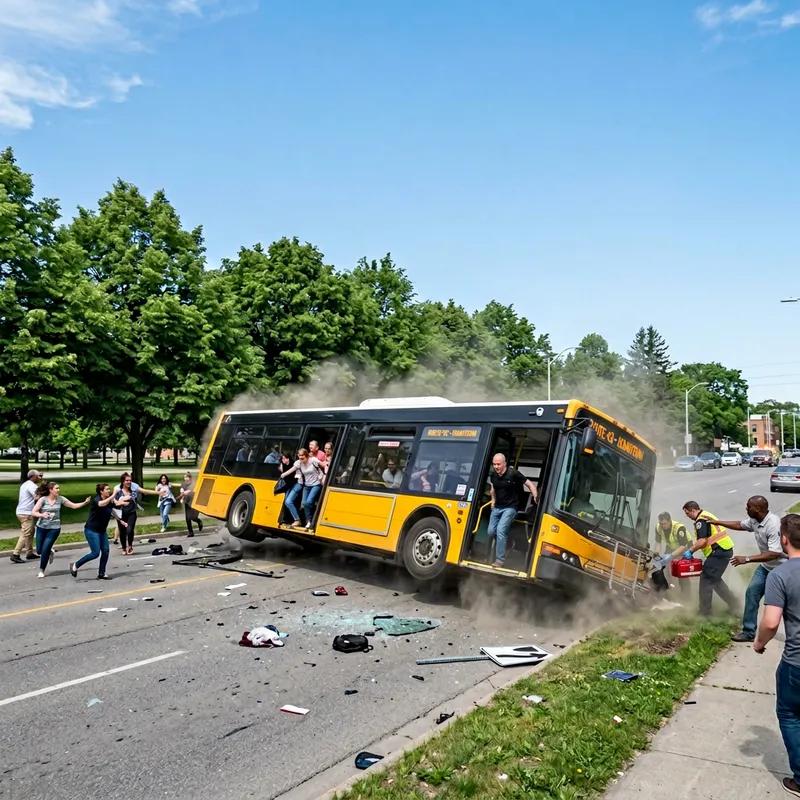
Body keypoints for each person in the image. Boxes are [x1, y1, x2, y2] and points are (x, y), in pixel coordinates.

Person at [754, 514, 800, 799]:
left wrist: (759, 643)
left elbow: (771, 623)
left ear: (784, 540)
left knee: (790, 715)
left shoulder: (780, 575)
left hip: (796, 663)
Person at [699, 496, 784, 643]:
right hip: (766, 567)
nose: (746, 509)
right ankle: (749, 632)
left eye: (748, 506)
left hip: (781, 568)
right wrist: (717, 522)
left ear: (757, 508)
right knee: (751, 593)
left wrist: (747, 559)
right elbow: (739, 525)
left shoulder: (773, 524)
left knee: (787, 603)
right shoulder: (755, 520)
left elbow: (774, 553)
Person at [680, 501, 739, 617]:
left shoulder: (701, 520)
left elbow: (703, 541)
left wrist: (690, 551)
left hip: (719, 551)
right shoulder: (706, 515)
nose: (687, 516)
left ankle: (705, 613)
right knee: (715, 581)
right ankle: (735, 605)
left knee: (706, 579)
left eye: (687, 513)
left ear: (693, 510)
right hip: (723, 550)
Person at [70, 484, 130, 580]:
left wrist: (120, 520)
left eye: (109, 489)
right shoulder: (97, 500)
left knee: (105, 551)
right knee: (95, 553)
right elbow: (101, 504)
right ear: (101, 491)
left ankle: (102, 573)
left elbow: (111, 510)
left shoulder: (109, 501)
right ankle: (76, 565)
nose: (109, 490)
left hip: (102, 531)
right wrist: (114, 494)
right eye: (107, 489)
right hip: (91, 530)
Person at [488, 453, 538, 567]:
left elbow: (530, 484)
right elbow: (493, 489)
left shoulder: (513, 473)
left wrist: (535, 495)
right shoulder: (493, 475)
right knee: (491, 531)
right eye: (494, 464)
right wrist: (493, 501)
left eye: (498, 464)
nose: (496, 467)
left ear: (505, 464)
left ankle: (499, 560)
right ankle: (508, 541)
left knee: (501, 530)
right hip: (497, 507)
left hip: (510, 508)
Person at [31, 482, 90, 578]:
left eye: (58, 488)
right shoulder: (43, 500)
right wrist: (42, 515)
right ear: (50, 490)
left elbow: (73, 506)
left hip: (54, 528)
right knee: (39, 551)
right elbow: (33, 512)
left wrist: (84, 502)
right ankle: (50, 551)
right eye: (56, 488)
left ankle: (42, 570)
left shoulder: (61, 499)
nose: (58, 490)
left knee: (45, 549)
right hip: (41, 527)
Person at [280, 448, 326, 529]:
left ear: (307, 456)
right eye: (300, 458)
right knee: (304, 503)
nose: (301, 460)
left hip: (316, 484)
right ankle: (305, 521)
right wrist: (284, 474)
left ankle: (309, 521)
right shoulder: (299, 463)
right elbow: (292, 469)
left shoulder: (313, 460)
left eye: (303, 458)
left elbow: (325, 465)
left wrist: (325, 475)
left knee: (309, 502)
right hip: (306, 485)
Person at [653, 511, 693, 597]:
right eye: (661, 524)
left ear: (669, 521)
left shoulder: (679, 528)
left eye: (665, 523)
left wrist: (670, 556)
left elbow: (682, 546)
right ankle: (671, 590)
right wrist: (656, 555)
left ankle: (686, 595)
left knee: (681, 571)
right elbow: (658, 543)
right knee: (666, 569)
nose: (663, 526)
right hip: (671, 545)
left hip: (685, 547)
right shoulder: (658, 527)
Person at [10, 469, 43, 563]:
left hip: (22, 511)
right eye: (38, 476)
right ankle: (15, 554)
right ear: (33, 476)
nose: (39, 477)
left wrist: (40, 484)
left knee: (31, 532)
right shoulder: (31, 486)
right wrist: (43, 488)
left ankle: (29, 552)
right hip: (26, 513)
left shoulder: (26, 484)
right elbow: (37, 497)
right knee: (26, 533)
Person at [178, 471, 204, 537]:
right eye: (185, 477)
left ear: (190, 478)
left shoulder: (194, 484)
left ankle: (199, 522)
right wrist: (182, 498)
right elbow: (182, 493)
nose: (185, 479)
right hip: (187, 502)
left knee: (193, 517)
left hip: (195, 502)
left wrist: (189, 491)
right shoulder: (183, 484)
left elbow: (196, 490)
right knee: (188, 518)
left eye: (187, 477)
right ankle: (190, 532)